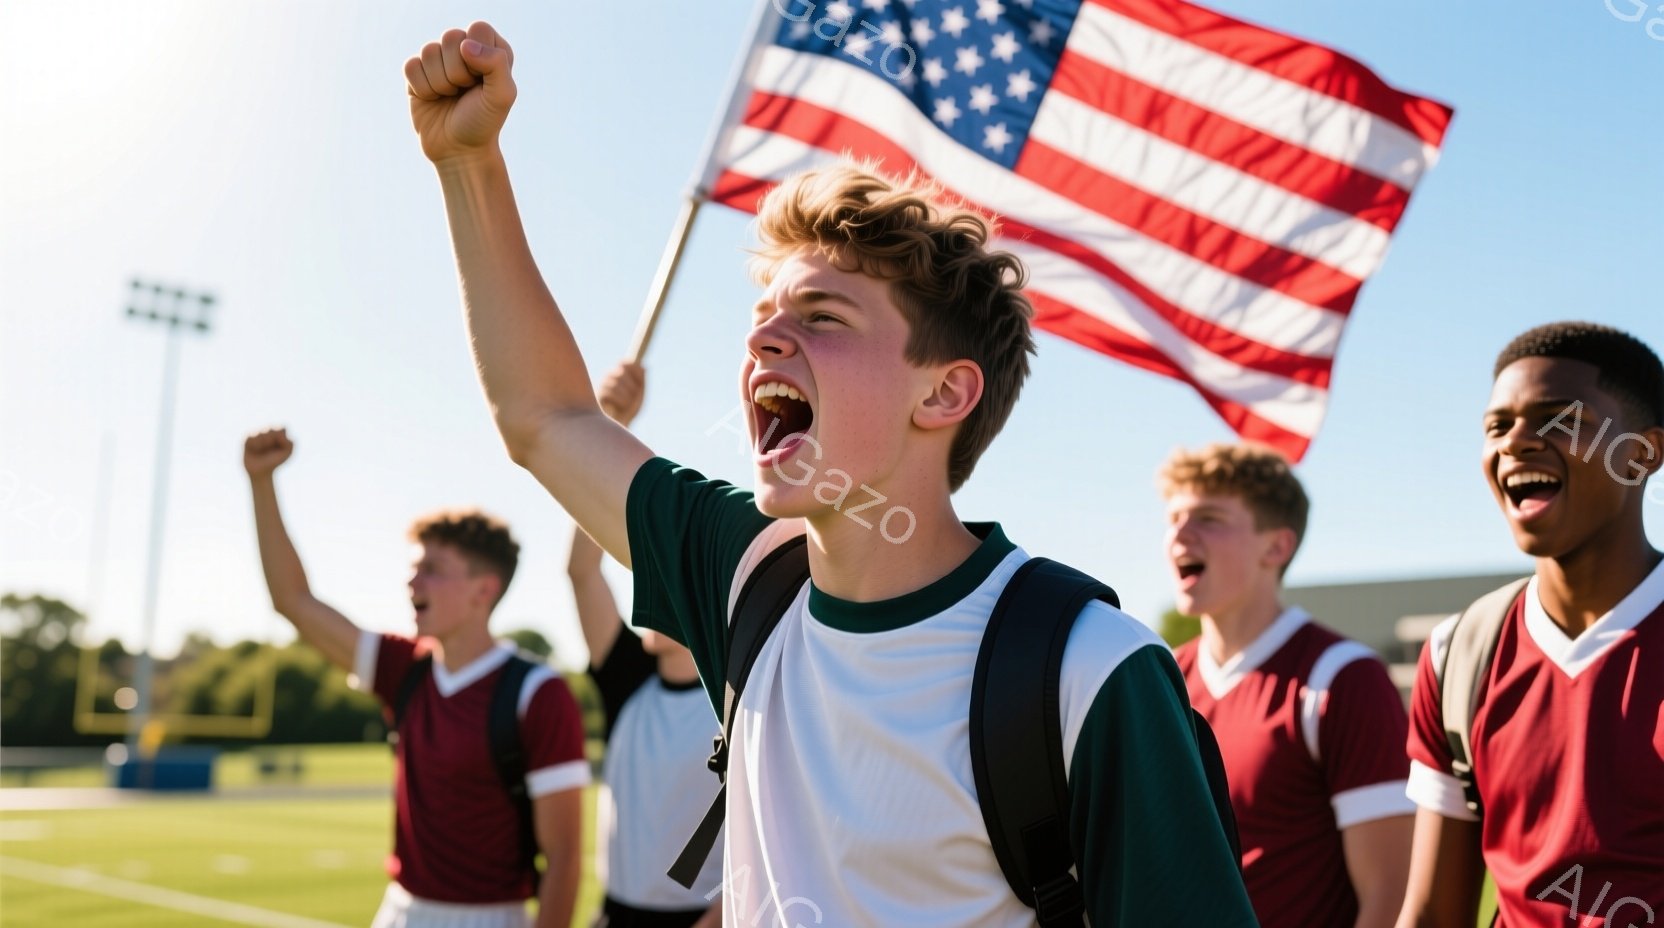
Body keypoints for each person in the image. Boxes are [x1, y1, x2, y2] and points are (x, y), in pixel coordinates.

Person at [403, 23, 1255, 927]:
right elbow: (545, 419)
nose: (764, 336)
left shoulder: (1090, 666)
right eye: (767, 312)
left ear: (944, 393)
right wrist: (469, 165)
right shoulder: (748, 580)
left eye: (823, 316)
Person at [243, 428, 589, 928]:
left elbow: (564, 859)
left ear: (482, 591)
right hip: (401, 910)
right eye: (413, 567)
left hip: (491, 918)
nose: (412, 580)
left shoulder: (537, 693)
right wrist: (261, 481)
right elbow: (292, 601)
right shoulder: (402, 667)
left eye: (431, 569)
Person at [1397, 322, 1664, 928]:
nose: (1516, 441)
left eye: (1558, 420)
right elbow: (1434, 912)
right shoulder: (1459, 653)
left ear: (1642, 454)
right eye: (1498, 426)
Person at [1160, 443, 1414, 928]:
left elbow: (1391, 896)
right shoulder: (1164, 679)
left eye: (1208, 519)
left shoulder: (1342, 677)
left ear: (1276, 546)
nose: (1179, 535)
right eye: (1173, 518)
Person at [570, 362, 722, 928]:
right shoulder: (626, 678)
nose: (647, 597)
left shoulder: (741, 692)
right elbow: (581, 572)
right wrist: (608, 427)